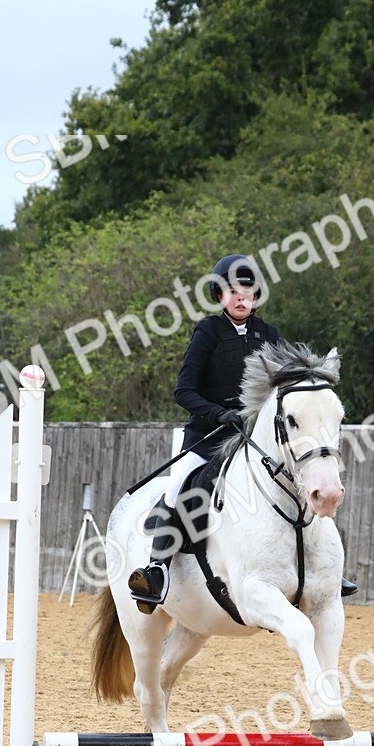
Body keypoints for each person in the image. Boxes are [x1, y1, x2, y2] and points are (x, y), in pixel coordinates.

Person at [128, 253, 357, 613]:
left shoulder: (269, 335)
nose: (240, 297)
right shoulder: (208, 331)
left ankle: (324, 570)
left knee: (304, 480)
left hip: (256, 440)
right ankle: (157, 566)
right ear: (220, 296)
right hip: (210, 436)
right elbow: (183, 391)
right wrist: (219, 414)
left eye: (246, 290)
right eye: (232, 291)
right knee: (180, 486)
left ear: (255, 296)